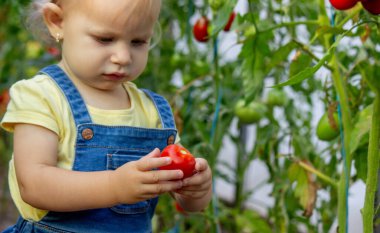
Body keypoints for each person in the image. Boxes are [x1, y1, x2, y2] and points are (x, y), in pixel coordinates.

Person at [0, 0, 213, 232]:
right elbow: (34, 186)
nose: (123, 56)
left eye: (138, 41)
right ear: (57, 22)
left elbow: (186, 199)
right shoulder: (42, 96)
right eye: (105, 39)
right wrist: (115, 187)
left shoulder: (151, 110)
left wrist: (195, 190)